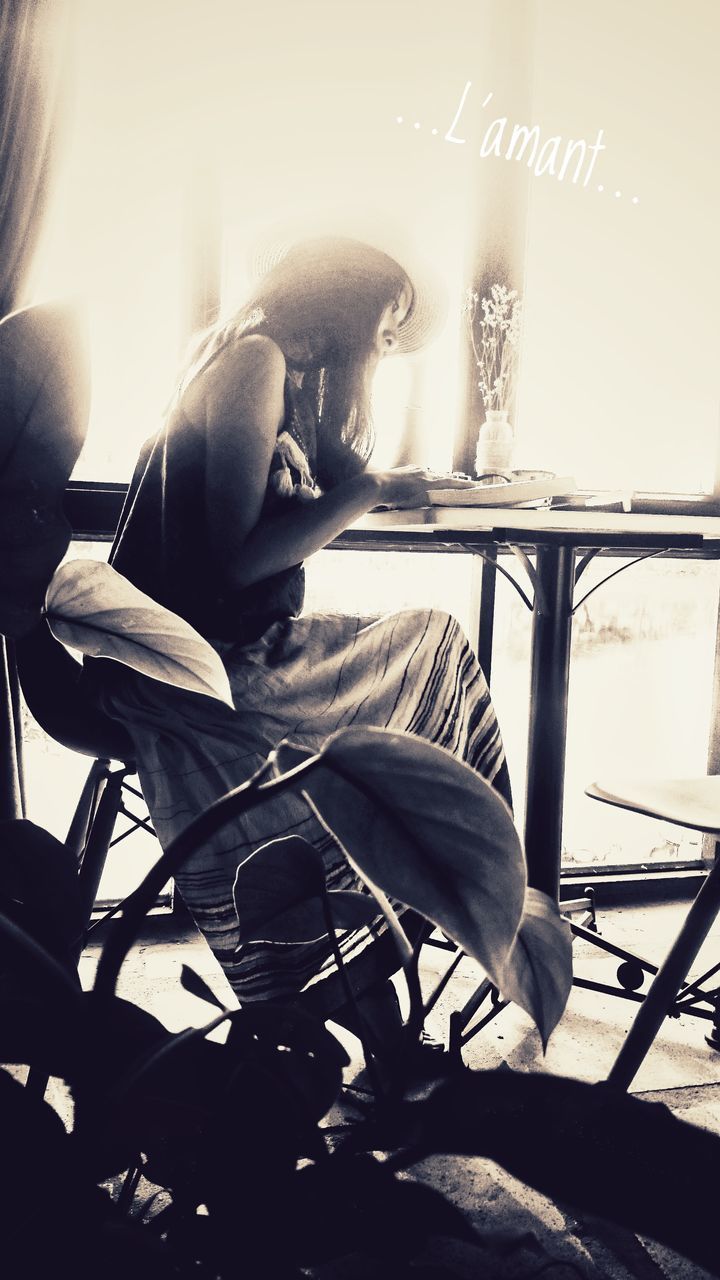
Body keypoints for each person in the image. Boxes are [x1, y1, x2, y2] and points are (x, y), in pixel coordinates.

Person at [96, 236, 512, 1052]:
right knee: (435, 651)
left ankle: (388, 988)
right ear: (349, 305)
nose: (388, 347)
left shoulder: (265, 370)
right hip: (193, 665)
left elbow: (277, 527)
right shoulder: (254, 361)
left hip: (215, 647)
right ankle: (442, 911)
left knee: (427, 661)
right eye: (387, 325)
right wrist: (363, 492)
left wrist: (359, 480)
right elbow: (238, 558)